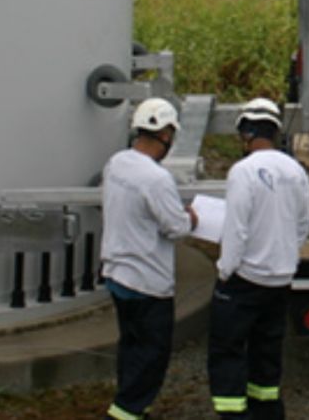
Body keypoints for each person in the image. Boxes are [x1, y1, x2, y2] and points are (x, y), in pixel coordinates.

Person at [208, 97, 309, 418]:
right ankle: (268, 412)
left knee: (228, 353)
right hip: (279, 280)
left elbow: (235, 229)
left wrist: (225, 271)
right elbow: (302, 225)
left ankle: (233, 413)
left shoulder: (243, 171)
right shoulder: (296, 171)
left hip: (244, 279)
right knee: (267, 356)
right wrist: (285, 258)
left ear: (247, 134)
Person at [101, 97, 197, 420]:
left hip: (118, 275)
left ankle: (131, 408)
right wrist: (193, 217)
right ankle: (125, 413)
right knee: (151, 359)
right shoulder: (156, 179)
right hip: (147, 284)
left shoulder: (116, 163)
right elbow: (177, 228)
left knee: (131, 349)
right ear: (166, 135)